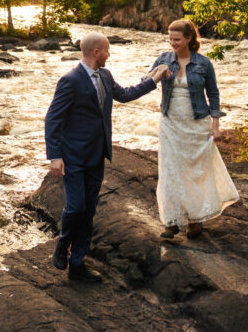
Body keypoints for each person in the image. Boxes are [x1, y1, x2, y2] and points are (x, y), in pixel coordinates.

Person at [44, 32, 169, 282]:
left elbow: (123, 95)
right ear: (97, 52)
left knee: (89, 211)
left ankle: (77, 264)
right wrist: (55, 156)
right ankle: (62, 243)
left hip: (97, 154)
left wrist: (153, 81)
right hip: (74, 156)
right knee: (76, 207)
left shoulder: (105, 75)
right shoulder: (70, 80)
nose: (110, 54)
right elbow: (53, 119)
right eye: (108, 50)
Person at [151, 19, 239, 240]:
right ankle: (171, 222)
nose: (172, 43)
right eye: (170, 38)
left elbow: (214, 94)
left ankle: (194, 219)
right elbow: (146, 81)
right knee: (170, 170)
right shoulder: (164, 59)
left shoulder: (204, 63)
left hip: (197, 123)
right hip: (170, 122)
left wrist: (216, 125)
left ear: (189, 38)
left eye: (177, 39)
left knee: (195, 171)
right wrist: (158, 74)